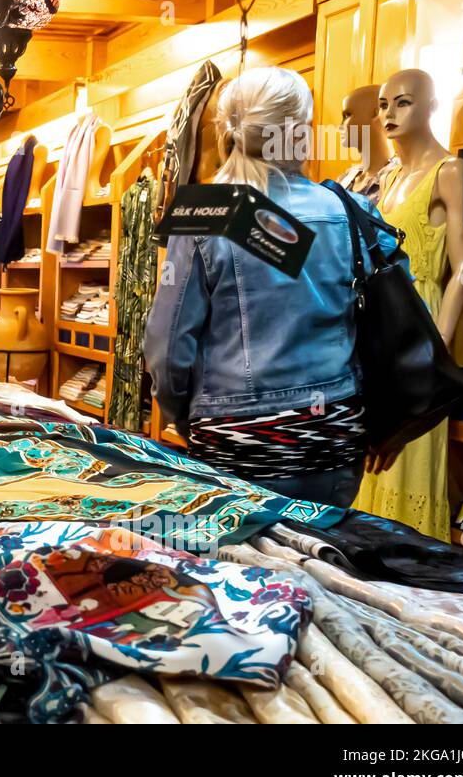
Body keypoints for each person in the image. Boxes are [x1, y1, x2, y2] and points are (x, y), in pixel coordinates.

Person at [143, 67, 397, 507]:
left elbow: (167, 347)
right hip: (333, 439)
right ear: (300, 131)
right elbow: (394, 315)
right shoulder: (350, 208)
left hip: (233, 440)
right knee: (321, 565)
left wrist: (183, 416)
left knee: (238, 572)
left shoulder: (205, 210)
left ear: (230, 129)